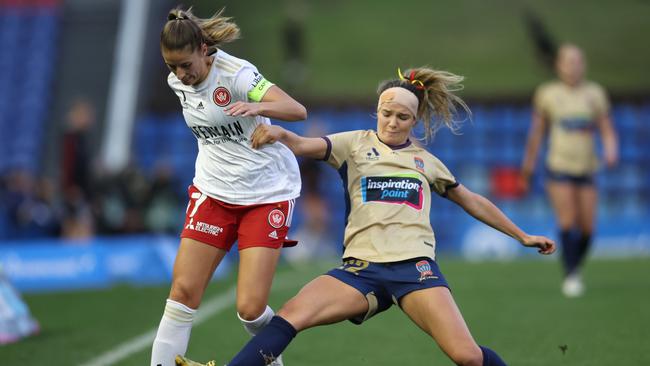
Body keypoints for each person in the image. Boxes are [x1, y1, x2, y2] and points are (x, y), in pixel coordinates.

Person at [176, 67, 556, 366]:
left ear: (414, 121)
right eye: (387, 113)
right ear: (377, 110)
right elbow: (304, 144)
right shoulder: (354, 144)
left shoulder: (426, 162)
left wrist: (522, 236)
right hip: (361, 270)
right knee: (291, 314)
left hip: (415, 270)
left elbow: (472, 200)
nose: (392, 122)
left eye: (403, 117)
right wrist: (279, 134)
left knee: (468, 357)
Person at [150, 7, 307, 366]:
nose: (180, 74)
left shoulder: (238, 74)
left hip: (266, 194)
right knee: (182, 292)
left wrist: (257, 109)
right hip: (213, 192)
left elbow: (296, 109)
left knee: (251, 311)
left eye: (186, 65)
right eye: (172, 66)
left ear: (204, 50)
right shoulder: (177, 81)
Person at [520, 44, 618, 298]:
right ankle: (571, 273)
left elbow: (606, 127)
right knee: (567, 219)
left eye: (577, 62)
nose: (573, 67)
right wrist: (528, 164)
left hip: (586, 166)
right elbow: (537, 132)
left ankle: (575, 265)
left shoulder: (595, 93)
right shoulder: (548, 94)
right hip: (559, 165)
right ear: (559, 66)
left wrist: (610, 149)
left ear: (583, 65)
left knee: (587, 228)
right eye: (568, 62)